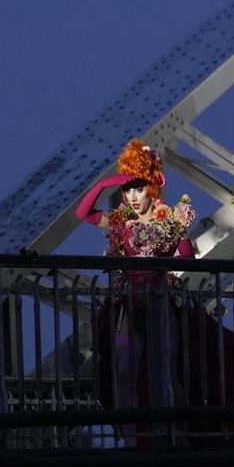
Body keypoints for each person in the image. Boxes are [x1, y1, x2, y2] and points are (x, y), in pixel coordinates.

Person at [76, 139, 197, 442]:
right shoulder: (121, 223)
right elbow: (83, 212)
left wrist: (159, 265)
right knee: (125, 366)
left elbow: (188, 258)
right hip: (129, 302)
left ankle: (176, 432)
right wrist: (106, 183)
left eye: (138, 188)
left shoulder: (169, 221)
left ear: (152, 187)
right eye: (127, 189)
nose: (131, 196)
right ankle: (132, 436)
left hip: (161, 302)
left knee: (167, 367)